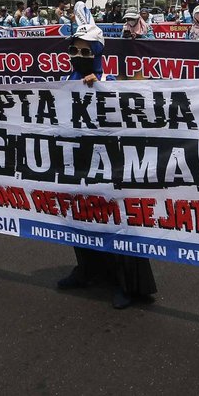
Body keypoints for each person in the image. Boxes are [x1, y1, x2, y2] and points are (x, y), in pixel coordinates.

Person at [57, 23, 157, 309]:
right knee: (80, 216)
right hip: (78, 161)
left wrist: (100, 89)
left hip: (110, 164)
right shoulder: (67, 78)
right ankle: (87, 270)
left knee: (117, 222)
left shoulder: (111, 81)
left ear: (97, 52)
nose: (77, 55)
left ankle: (126, 283)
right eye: (73, 50)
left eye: (84, 51)